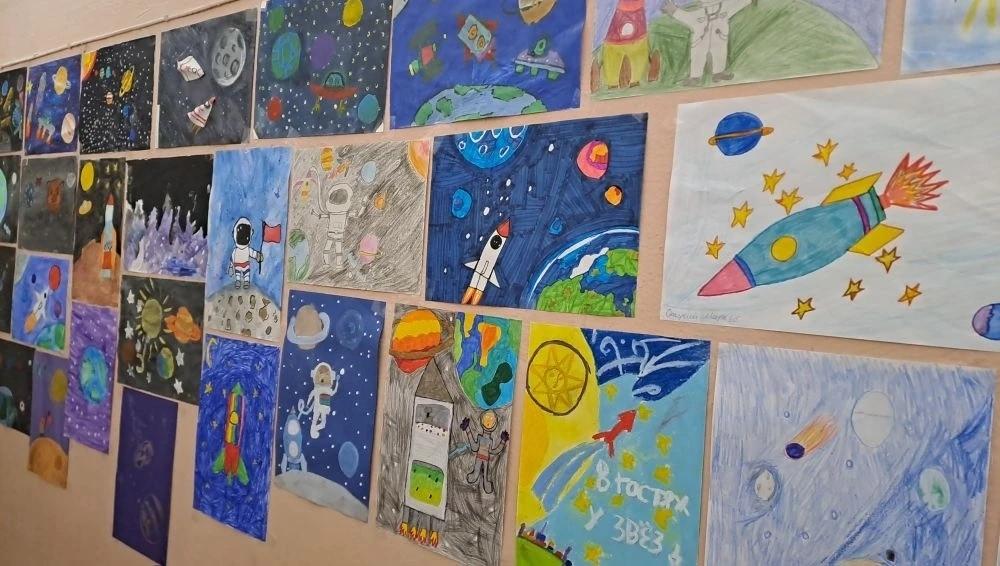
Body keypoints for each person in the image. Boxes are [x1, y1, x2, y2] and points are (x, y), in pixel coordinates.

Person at [663, 0, 752, 86]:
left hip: (719, 37)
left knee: (720, 53)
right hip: (700, 41)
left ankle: (718, 73)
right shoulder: (699, 12)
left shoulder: (725, 7)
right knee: (698, 56)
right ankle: (695, 77)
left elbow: (740, 3)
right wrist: (674, 11)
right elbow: (687, 17)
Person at [228, 217, 262, 289]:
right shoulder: (244, 250)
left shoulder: (238, 250)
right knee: (243, 274)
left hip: (240, 265)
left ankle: (244, 281)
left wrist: (257, 256)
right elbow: (253, 253)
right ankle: (240, 281)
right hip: (242, 265)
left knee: (243, 274)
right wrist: (257, 256)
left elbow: (232, 259)